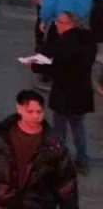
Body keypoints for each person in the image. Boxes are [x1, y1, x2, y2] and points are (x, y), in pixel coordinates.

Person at [0, 89, 79, 208]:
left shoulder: (54, 144)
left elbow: (66, 182)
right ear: (19, 109)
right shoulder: (1, 133)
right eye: (30, 111)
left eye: (39, 112)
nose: (35, 116)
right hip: (5, 202)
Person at [30, 11, 95, 173]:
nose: (56, 24)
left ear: (69, 24)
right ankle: (82, 159)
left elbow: (56, 66)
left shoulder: (65, 42)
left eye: (59, 22)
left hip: (64, 92)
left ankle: (60, 159)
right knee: (78, 126)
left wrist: (34, 66)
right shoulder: (87, 40)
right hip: (82, 92)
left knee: (59, 127)